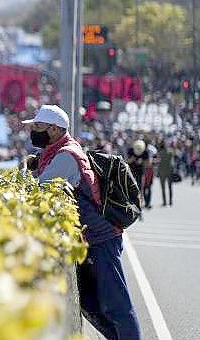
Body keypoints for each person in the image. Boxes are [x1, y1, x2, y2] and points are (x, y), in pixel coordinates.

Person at [23, 105, 141, 340]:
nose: (33, 131)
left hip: (101, 238)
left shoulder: (66, 155)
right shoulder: (58, 151)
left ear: (55, 130)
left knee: (116, 305)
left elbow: (37, 190)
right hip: (91, 239)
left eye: (38, 126)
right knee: (90, 303)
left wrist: (29, 174)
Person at [127, 140, 152, 209]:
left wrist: (142, 161)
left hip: (141, 173)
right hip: (131, 173)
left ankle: (139, 203)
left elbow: (149, 163)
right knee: (131, 188)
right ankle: (131, 202)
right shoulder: (131, 151)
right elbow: (126, 161)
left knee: (140, 188)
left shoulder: (145, 152)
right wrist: (132, 159)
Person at [157, 140, 175, 206]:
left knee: (163, 187)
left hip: (163, 171)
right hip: (169, 171)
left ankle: (165, 202)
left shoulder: (159, 152)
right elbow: (172, 161)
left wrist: (157, 172)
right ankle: (170, 201)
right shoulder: (170, 151)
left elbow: (158, 163)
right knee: (169, 187)